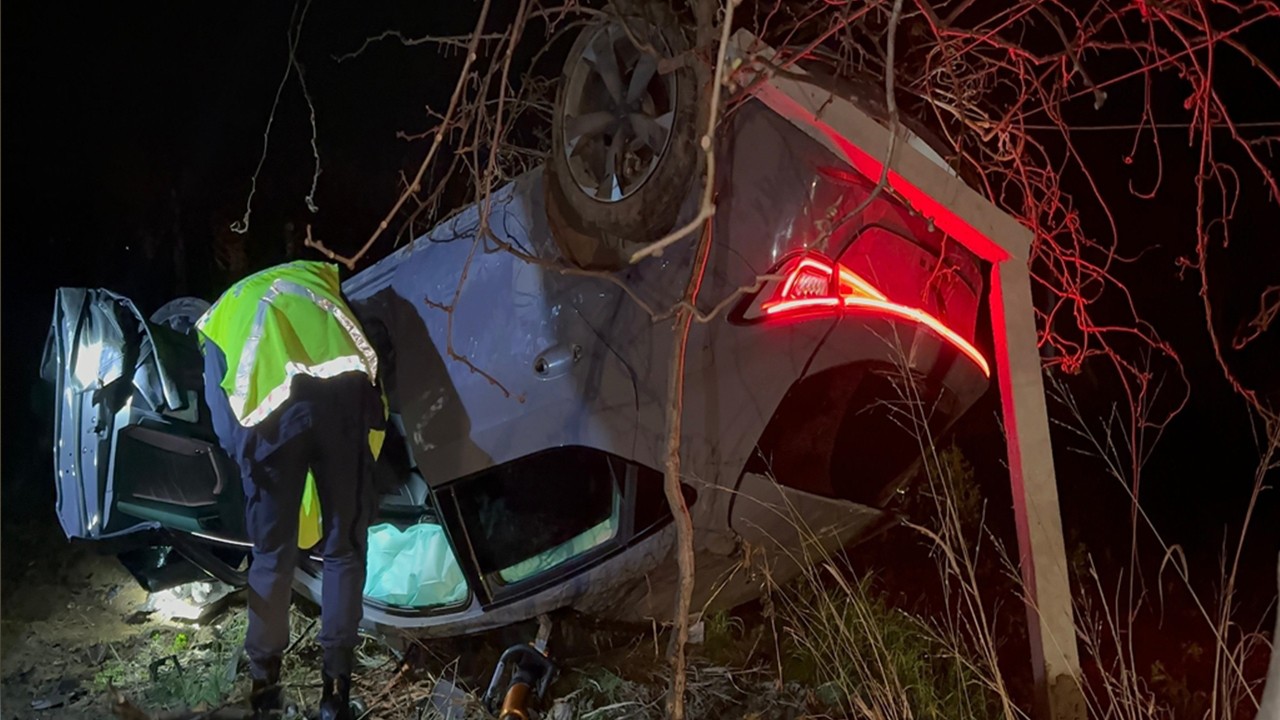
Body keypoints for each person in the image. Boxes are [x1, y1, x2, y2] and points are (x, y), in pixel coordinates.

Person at [197, 260, 384, 720]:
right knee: (343, 551)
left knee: (271, 558)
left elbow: (224, 423)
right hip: (343, 407)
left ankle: (266, 695)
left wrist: (250, 468)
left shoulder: (221, 320)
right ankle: (335, 697)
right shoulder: (318, 282)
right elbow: (372, 365)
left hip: (269, 427)